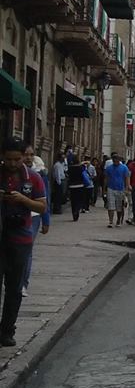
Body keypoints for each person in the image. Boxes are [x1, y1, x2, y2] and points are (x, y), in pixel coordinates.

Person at [1, 137, 48, 347]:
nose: (12, 164)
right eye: (8, 160)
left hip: (20, 237)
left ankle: (7, 330)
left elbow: (41, 207)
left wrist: (22, 200)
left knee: (14, 286)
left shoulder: (34, 178)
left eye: (17, 159)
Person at [21, 145, 50, 299]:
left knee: (26, 250)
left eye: (31, 155)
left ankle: (23, 284)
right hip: (13, 216)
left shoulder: (39, 174)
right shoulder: (11, 173)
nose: (29, 157)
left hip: (33, 216)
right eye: (26, 154)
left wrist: (46, 220)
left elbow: (46, 199)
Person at [103, 153, 130, 228]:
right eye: (114, 159)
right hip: (110, 188)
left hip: (121, 189)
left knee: (119, 206)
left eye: (117, 159)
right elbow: (106, 178)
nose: (115, 160)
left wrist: (127, 188)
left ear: (119, 160)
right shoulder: (109, 168)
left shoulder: (124, 168)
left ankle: (118, 220)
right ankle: (110, 221)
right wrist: (104, 189)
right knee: (110, 206)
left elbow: (127, 178)